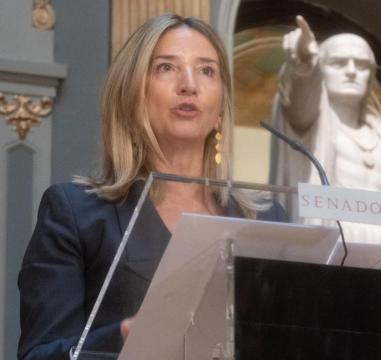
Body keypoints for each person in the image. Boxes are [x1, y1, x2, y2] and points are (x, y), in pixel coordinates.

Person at [18, 14, 286, 360]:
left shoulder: (266, 220)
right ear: (133, 94)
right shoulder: (75, 214)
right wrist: (123, 337)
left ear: (221, 107)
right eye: (166, 68)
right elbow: (38, 355)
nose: (189, 84)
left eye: (207, 70)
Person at [270, 16, 381, 247]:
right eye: (339, 63)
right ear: (321, 69)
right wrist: (304, 67)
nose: (351, 71)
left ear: (371, 75)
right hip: (327, 248)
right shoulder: (312, 125)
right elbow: (300, 103)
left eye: (361, 65)